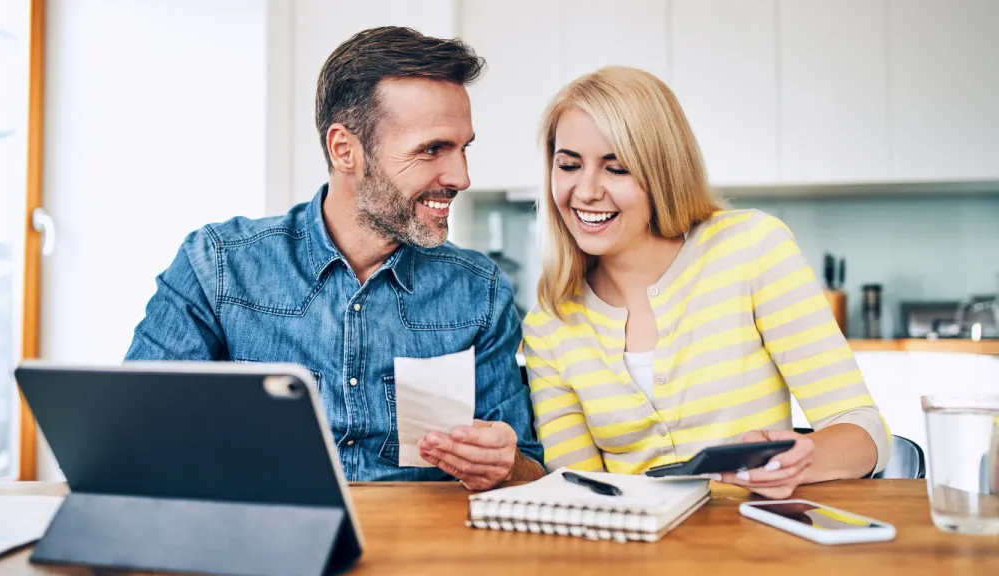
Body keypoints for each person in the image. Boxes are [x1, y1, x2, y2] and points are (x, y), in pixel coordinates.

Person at [126, 27, 545, 490]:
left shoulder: (478, 290)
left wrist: (505, 467)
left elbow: (525, 468)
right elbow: (130, 440)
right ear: (345, 150)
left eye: (462, 148)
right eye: (431, 149)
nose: (461, 177)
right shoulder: (218, 266)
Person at [522, 66, 890, 499]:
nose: (585, 191)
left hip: (756, 544)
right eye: (568, 165)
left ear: (662, 171)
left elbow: (866, 433)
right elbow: (579, 489)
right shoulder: (550, 322)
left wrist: (801, 457)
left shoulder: (752, 248)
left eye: (616, 168)